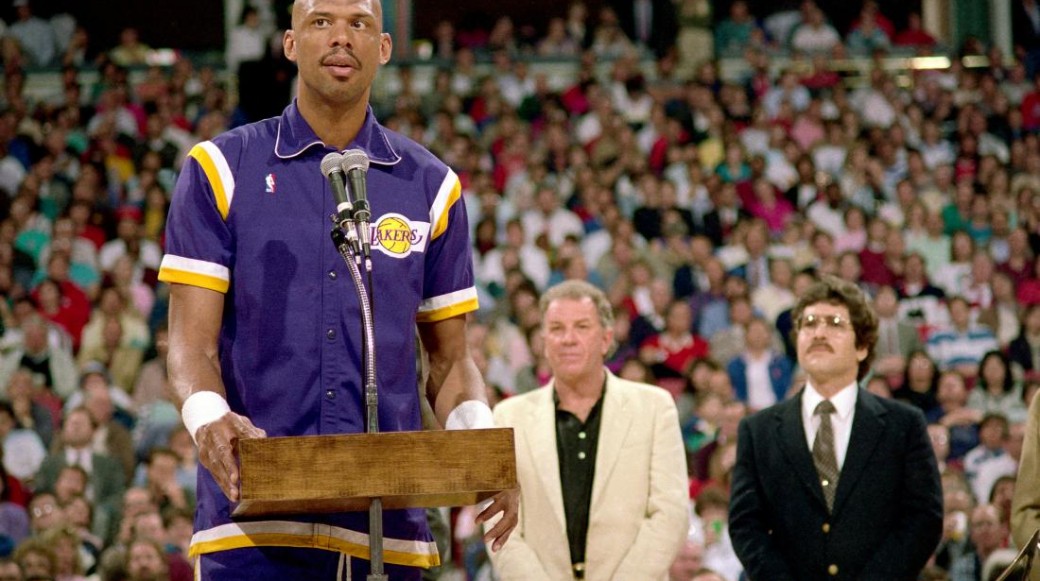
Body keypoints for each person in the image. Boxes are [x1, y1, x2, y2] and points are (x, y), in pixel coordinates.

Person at [156, 1, 518, 579]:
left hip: (391, 527)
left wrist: (481, 445)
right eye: (321, 22)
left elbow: (452, 360)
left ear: (385, 48)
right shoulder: (221, 167)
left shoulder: (431, 184)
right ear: (291, 43)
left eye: (360, 23)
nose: (341, 38)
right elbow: (189, 346)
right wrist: (208, 418)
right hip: (253, 524)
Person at [729, 275, 943, 580]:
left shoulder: (904, 424)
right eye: (809, 323)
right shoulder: (758, 430)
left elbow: (923, 519)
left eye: (834, 324)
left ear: (862, 346)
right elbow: (745, 526)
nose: (818, 332)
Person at [486, 280, 689, 580]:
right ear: (543, 341)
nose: (568, 339)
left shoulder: (654, 407)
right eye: (556, 329)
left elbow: (670, 514)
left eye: (582, 327)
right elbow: (500, 526)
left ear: (606, 339)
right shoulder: (507, 416)